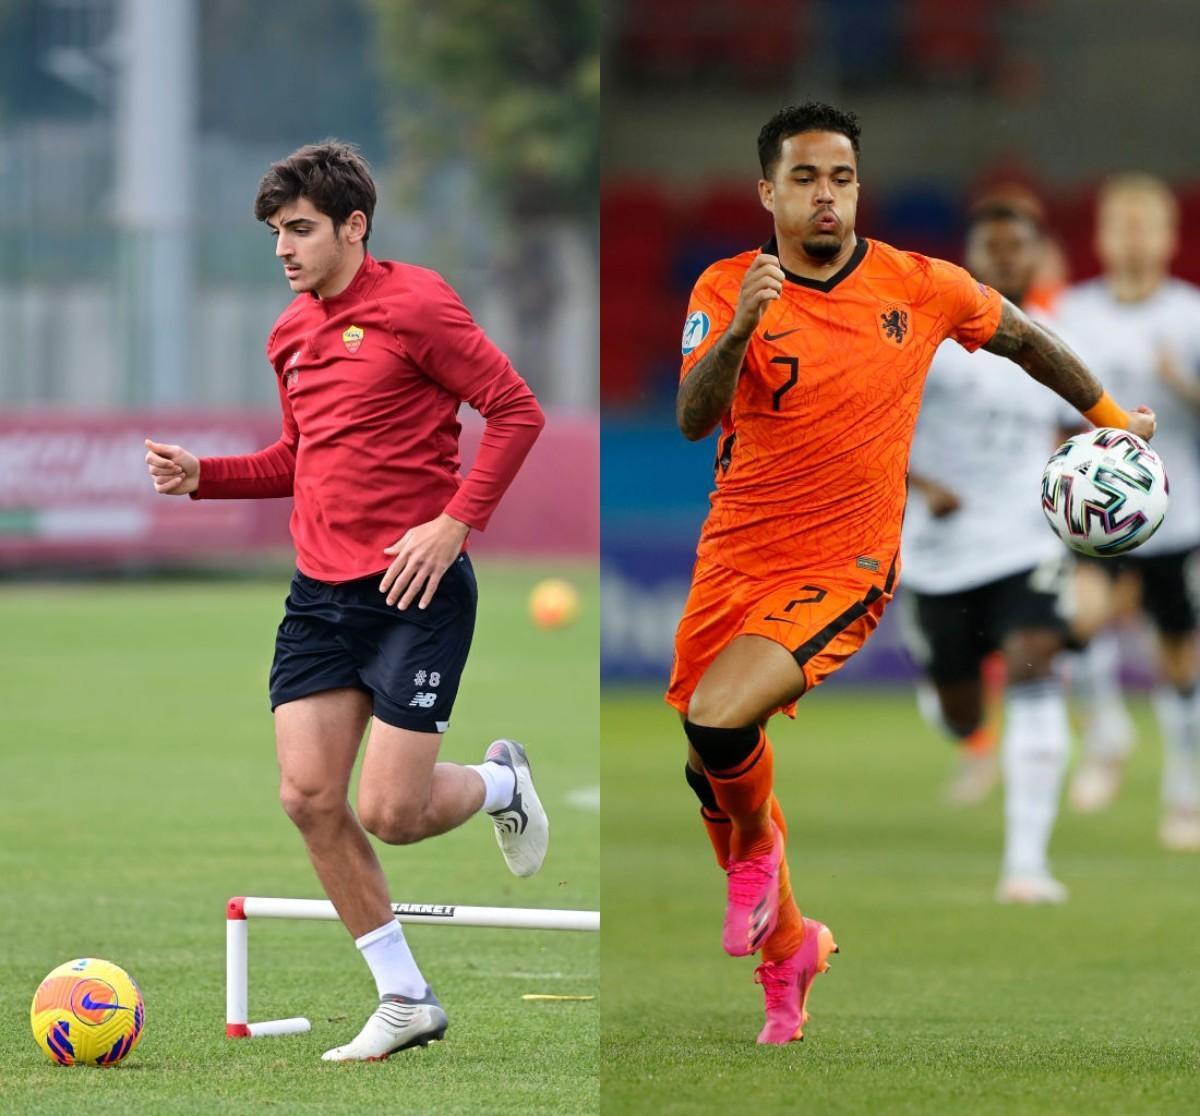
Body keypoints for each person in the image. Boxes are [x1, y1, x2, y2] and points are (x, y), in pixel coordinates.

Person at [668, 102, 1156, 1046]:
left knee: (718, 721)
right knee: (706, 765)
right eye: (805, 179)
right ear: (768, 191)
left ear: (858, 186)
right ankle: (791, 955)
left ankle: (755, 864)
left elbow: (1023, 335)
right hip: (733, 557)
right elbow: (695, 415)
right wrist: (738, 335)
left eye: (841, 178)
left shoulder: (917, 284)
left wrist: (1103, 413)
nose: (825, 196)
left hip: (844, 563)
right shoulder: (728, 286)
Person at [144, 141, 549, 1061]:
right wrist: (204, 476)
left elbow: (517, 410)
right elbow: (298, 459)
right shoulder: (289, 332)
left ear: (353, 226)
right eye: (275, 234)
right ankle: (404, 996)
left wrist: (456, 523)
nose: (283, 250)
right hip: (319, 598)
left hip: (417, 592)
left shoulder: (419, 304)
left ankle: (501, 784)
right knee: (307, 796)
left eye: (298, 230)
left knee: (393, 816)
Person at [901, 201, 1082, 903]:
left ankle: (1026, 865)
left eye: (1019, 246)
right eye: (992, 245)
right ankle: (948, 704)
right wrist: (924, 484)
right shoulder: (930, 346)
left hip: (1025, 542)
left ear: (1037, 257)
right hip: (941, 553)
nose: (1006, 257)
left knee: (1037, 668)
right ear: (970, 255)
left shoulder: (1054, 343)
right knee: (962, 715)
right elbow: (871, 431)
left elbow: (1081, 431)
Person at [1057, 174, 1200, 850]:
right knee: (1078, 618)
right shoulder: (1074, 314)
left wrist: (1183, 388)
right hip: (1096, 512)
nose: (1136, 238)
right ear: (1104, 237)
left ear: (1171, 237)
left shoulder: (1191, 314)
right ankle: (1108, 733)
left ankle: (1184, 787)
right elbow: (1053, 411)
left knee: (1178, 658)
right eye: (1123, 225)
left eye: (1149, 225)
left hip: (1181, 509)